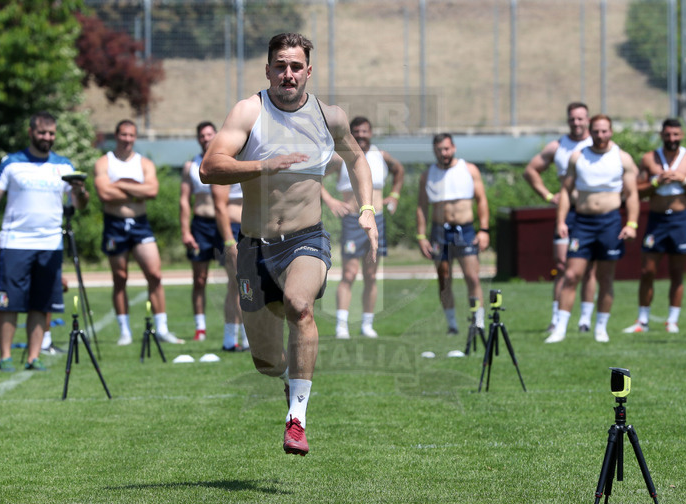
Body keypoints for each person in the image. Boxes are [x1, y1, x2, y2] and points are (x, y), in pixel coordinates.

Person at [199, 33, 377, 456]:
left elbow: (355, 158)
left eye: (296, 66)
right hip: (254, 247)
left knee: (300, 305)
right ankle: (286, 381)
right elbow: (210, 168)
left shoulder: (329, 116)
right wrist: (262, 164)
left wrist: (367, 207)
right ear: (268, 70)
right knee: (266, 360)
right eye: (280, 65)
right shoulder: (249, 111)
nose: (288, 74)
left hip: (305, 238)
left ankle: (297, 418)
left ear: (308, 71)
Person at [0, 111, 89, 371]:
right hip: (16, 243)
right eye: (42, 132)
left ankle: (34, 357)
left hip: (50, 244)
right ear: (31, 132)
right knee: (8, 302)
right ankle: (5, 357)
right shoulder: (12, 163)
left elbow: (78, 204)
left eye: (51, 133)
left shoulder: (64, 166)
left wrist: (80, 191)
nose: (47, 137)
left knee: (41, 303)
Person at [546, 114, 639, 344]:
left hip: (610, 223)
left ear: (611, 131)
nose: (600, 135)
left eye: (604, 131)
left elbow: (632, 194)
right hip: (583, 222)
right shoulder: (578, 157)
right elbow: (566, 192)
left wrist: (632, 223)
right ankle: (560, 328)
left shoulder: (622, 158)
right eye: (596, 131)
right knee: (571, 274)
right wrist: (560, 221)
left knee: (605, 277)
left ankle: (601, 327)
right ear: (590, 131)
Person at [94, 119, 184, 345]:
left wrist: (120, 184)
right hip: (114, 224)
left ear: (135, 137)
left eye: (131, 135)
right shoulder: (104, 162)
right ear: (116, 135)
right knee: (120, 277)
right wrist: (136, 190)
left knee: (155, 274)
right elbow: (104, 194)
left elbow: (152, 190)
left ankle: (162, 329)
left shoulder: (144, 163)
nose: (127, 139)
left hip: (140, 224)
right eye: (123, 135)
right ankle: (125, 331)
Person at [321, 116, 404, 339]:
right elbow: (314, 177)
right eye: (356, 131)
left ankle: (367, 324)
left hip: (377, 221)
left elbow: (399, 171)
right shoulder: (340, 158)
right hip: (352, 221)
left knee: (371, 275)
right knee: (349, 274)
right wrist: (330, 201)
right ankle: (342, 325)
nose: (360, 135)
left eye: (364, 131)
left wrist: (394, 195)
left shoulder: (380, 156)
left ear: (371, 133)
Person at [523, 102, 598, 333]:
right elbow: (530, 170)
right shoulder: (558, 146)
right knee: (563, 265)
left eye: (580, 119)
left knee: (590, 268)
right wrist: (547, 195)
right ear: (568, 121)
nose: (576, 123)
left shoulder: (596, 145)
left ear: (588, 120)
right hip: (567, 213)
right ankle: (556, 319)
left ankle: (585, 320)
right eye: (572, 119)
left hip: (591, 212)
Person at [623, 118, 686, 334]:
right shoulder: (649, 158)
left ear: (681, 135)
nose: (671, 139)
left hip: (681, 219)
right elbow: (636, 189)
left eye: (675, 135)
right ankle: (642, 321)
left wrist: (682, 179)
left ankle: (672, 320)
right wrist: (655, 182)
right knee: (647, 270)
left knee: (677, 271)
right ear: (661, 135)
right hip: (657, 219)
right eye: (667, 135)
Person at [416, 133, 490, 335]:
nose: (443, 153)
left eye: (447, 149)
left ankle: (478, 322)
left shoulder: (469, 169)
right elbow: (422, 207)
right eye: (439, 150)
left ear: (454, 148)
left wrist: (484, 230)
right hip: (439, 232)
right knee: (444, 277)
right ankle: (452, 325)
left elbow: (482, 200)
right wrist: (421, 236)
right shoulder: (427, 175)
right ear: (434, 151)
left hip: (464, 230)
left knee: (472, 277)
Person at [180, 121, 221, 342]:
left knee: (237, 279)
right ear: (198, 139)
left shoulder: (226, 160)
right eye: (202, 136)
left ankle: (235, 328)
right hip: (200, 226)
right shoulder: (190, 166)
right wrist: (185, 231)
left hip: (225, 224)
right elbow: (184, 201)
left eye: (209, 134)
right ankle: (200, 328)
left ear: (216, 136)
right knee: (199, 279)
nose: (206, 139)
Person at [211, 182, 250, 352]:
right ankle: (245, 339)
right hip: (234, 230)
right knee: (241, 284)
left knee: (240, 285)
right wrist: (229, 240)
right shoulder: (225, 160)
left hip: (254, 228)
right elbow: (219, 205)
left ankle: (230, 340)